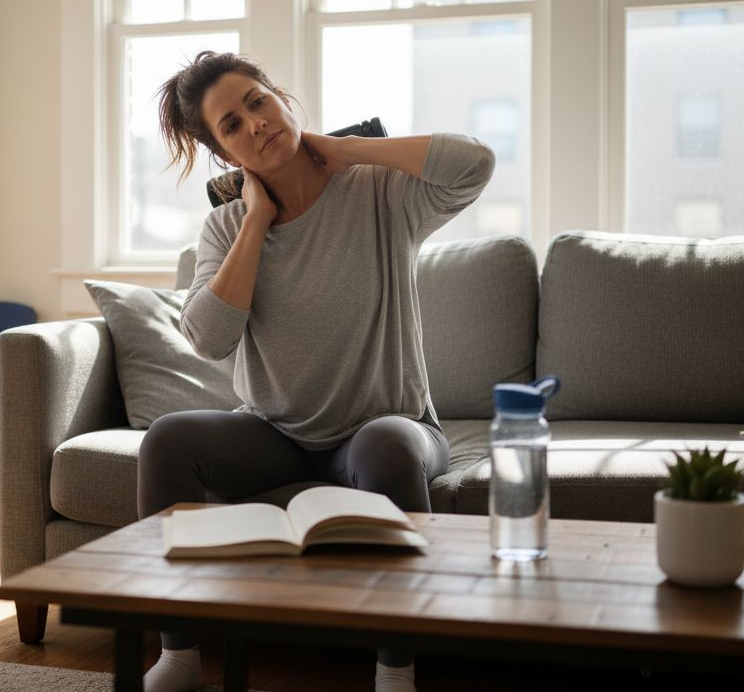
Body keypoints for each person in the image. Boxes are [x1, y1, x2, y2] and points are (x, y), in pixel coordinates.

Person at [140, 50, 495, 692]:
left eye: (257, 101)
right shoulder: (226, 227)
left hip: (388, 428)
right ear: (226, 155)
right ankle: (180, 653)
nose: (255, 125)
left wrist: (350, 150)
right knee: (168, 438)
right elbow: (208, 339)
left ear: (279, 97)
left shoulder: (380, 195)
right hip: (275, 435)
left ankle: (396, 667)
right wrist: (255, 222)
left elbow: (476, 164)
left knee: (388, 442)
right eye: (231, 126)